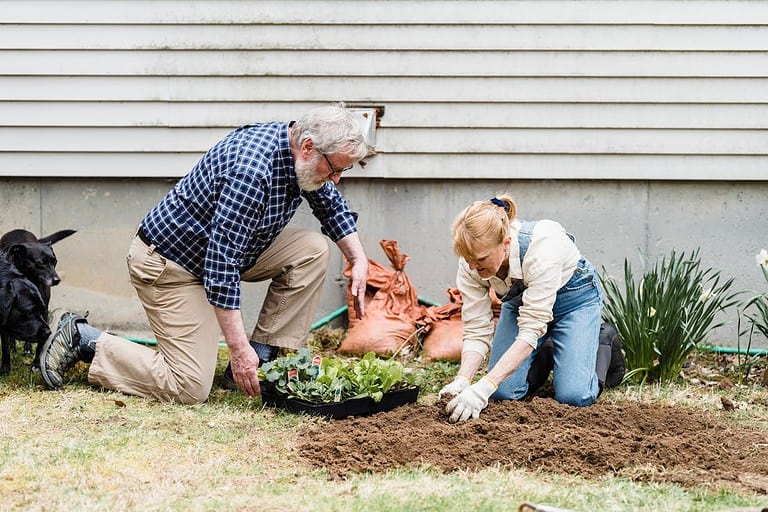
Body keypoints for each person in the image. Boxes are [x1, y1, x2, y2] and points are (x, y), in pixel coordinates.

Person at [39, 104, 371, 404]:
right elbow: (221, 267)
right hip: (170, 267)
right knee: (189, 386)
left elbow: (329, 203)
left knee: (311, 251)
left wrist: (357, 259)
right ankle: (83, 338)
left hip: (226, 251)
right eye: (335, 169)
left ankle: (264, 358)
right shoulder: (252, 172)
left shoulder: (300, 151)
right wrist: (237, 351)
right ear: (309, 148)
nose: (337, 179)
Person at [439, 194, 623, 422]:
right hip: (523, 306)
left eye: (481, 259)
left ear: (505, 244)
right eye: (468, 260)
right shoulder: (471, 263)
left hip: (574, 301)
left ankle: (603, 341)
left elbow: (530, 331)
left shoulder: (542, 249)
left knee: (574, 396)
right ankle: (546, 349)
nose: (473, 267)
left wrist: (482, 388)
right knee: (502, 393)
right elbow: (477, 328)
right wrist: (464, 380)